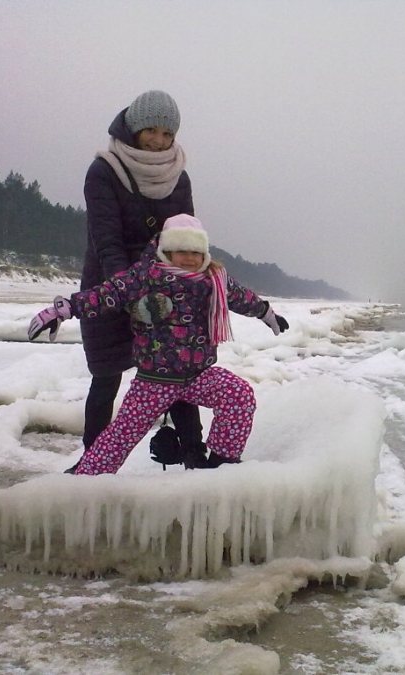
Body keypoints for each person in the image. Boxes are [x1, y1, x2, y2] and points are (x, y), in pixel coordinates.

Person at [28, 214, 289, 475]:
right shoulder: (146, 275)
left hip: (199, 376)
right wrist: (65, 309)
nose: (189, 258)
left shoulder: (214, 280)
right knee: (119, 437)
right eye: (181, 250)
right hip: (154, 380)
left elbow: (243, 298)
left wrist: (267, 314)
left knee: (238, 395)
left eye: (195, 252)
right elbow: (108, 293)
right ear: (166, 251)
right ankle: (83, 482)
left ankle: (221, 465)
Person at [76, 89, 201, 472]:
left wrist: (185, 285)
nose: (159, 140)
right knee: (106, 374)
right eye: (151, 130)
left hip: (164, 289)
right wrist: (126, 292)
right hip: (110, 284)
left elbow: (186, 236)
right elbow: (106, 240)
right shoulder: (104, 171)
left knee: (177, 371)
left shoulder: (178, 177)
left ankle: (195, 454)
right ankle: (91, 461)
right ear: (134, 127)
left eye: (167, 133)